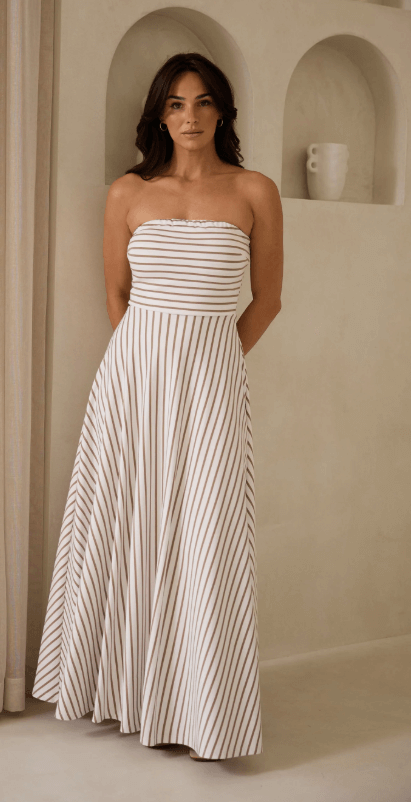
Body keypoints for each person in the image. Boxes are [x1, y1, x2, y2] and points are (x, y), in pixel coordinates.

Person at [32, 51, 283, 763]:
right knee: (126, 524)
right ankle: (124, 692)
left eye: (204, 103)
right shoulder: (127, 194)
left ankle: (205, 710)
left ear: (223, 113)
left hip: (211, 384)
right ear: (158, 115)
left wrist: (211, 362)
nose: (191, 117)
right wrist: (145, 367)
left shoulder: (255, 190)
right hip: (130, 383)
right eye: (176, 104)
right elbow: (118, 294)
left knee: (207, 535)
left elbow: (268, 300)